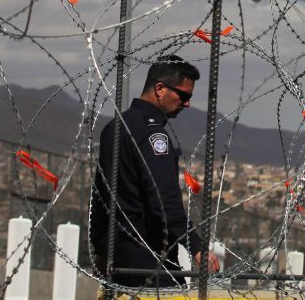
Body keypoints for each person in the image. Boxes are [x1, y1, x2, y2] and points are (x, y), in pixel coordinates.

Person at [90, 55, 220, 289]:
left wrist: (101, 249)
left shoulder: (114, 127)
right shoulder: (153, 135)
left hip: (117, 253)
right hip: (145, 252)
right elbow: (163, 199)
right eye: (183, 95)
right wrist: (196, 246)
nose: (187, 103)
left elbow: (100, 193)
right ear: (160, 89)